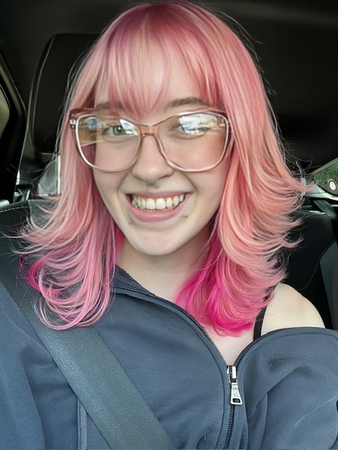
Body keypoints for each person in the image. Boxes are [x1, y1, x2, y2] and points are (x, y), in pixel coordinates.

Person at [1, 1, 338, 449]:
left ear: (239, 142)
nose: (148, 167)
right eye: (116, 127)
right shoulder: (17, 310)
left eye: (190, 123)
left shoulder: (289, 326)